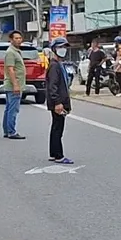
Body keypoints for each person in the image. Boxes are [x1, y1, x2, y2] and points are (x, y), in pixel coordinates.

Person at [45, 36, 73, 164]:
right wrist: (57, 102)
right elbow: (53, 86)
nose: (63, 50)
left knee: (55, 127)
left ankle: (53, 153)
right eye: (60, 47)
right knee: (58, 129)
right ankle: (58, 155)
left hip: (60, 102)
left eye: (64, 47)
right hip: (58, 103)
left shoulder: (58, 64)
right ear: (54, 49)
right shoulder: (54, 66)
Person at [1, 30, 27, 140]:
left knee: (9, 108)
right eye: (16, 38)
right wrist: (16, 85)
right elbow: (10, 69)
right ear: (11, 40)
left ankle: (7, 130)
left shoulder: (16, 51)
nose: (18, 40)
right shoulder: (11, 52)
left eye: (20, 38)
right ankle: (11, 131)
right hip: (13, 85)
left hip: (15, 84)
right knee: (13, 109)